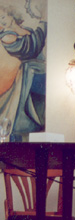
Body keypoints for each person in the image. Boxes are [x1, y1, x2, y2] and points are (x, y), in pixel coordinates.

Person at [0, 3, 46, 140]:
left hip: (39, 76)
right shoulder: (6, 36)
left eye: (2, 16)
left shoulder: (26, 30)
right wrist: (43, 24)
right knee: (25, 117)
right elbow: (31, 47)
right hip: (28, 78)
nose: (1, 21)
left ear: (11, 15)